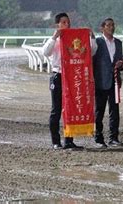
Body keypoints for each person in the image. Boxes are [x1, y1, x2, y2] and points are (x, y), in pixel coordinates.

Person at [42, 12, 97, 150]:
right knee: (56, 109)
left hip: (72, 77)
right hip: (58, 75)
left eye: (68, 22)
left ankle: (69, 140)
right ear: (58, 24)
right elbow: (45, 52)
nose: (67, 24)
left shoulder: (74, 39)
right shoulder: (55, 40)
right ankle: (56, 142)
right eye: (64, 22)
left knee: (70, 108)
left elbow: (91, 51)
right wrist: (55, 36)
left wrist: (91, 37)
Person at [92, 18, 123, 148]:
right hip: (100, 82)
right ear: (102, 28)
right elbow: (92, 62)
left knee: (114, 111)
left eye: (113, 25)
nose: (111, 27)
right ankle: (98, 139)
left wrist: (120, 65)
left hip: (115, 82)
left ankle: (114, 138)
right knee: (99, 111)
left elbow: (120, 61)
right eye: (108, 25)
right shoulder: (97, 43)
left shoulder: (119, 43)